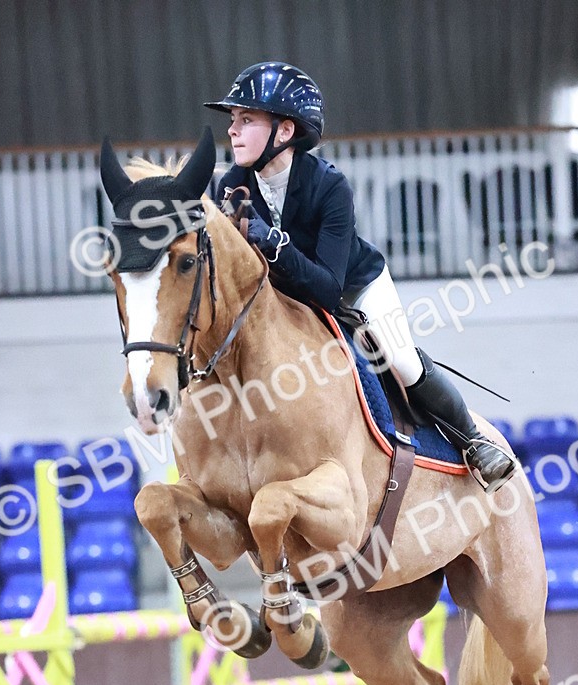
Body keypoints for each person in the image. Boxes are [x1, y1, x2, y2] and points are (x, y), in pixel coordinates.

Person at [205, 62, 514, 492]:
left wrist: (272, 243)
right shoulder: (232, 185)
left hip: (352, 287)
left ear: (285, 131)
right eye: (233, 121)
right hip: (282, 296)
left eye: (246, 120)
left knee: (398, 357)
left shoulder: (330, 186)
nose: (233, 131)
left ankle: (473, 442)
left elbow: (328, 290)